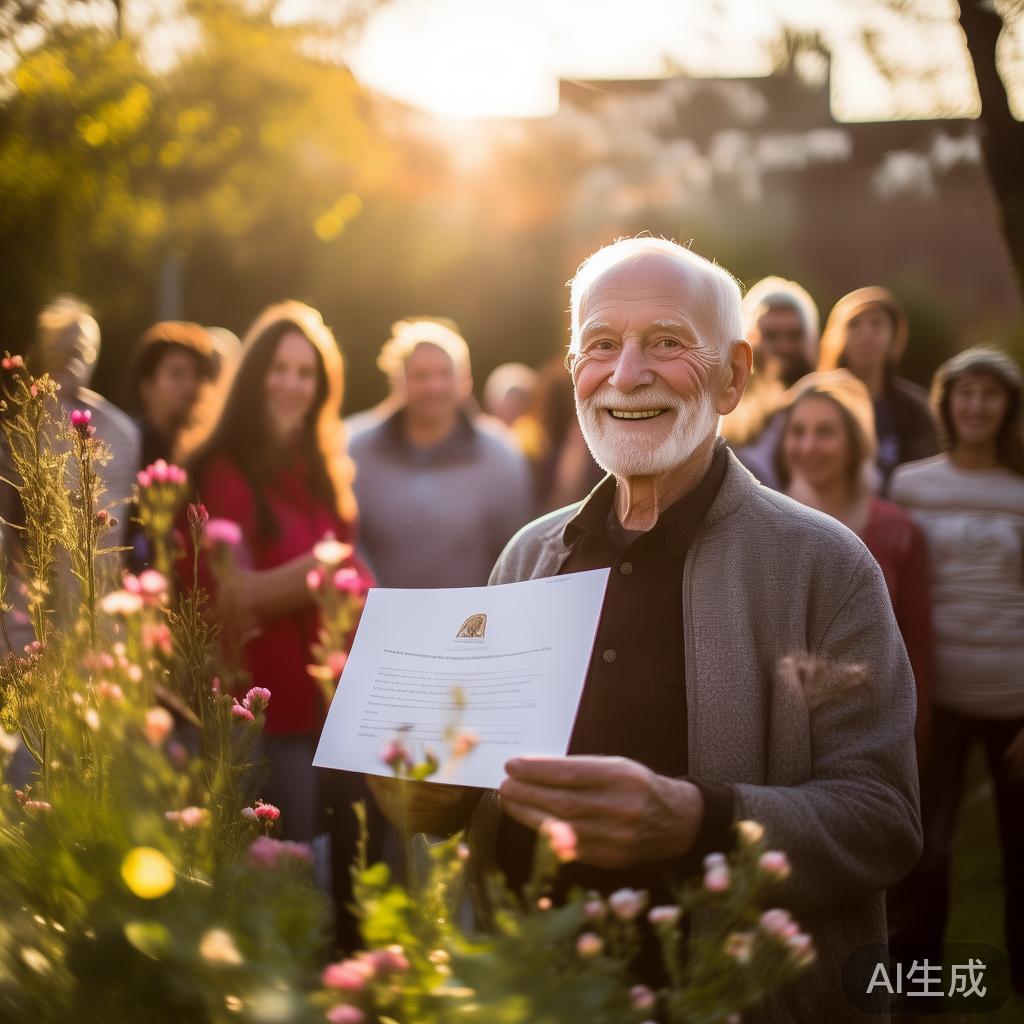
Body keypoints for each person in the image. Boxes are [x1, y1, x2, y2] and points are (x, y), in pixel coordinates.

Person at [369, 238, 922, 1023]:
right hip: (535, 993)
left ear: (733, 374)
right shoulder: (530, 554)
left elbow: (882, 821)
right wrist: (412, 780)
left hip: (732, 1001)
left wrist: (696, 820)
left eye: (665, 342)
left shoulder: (824, 568)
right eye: (600, 345)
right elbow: (458, 800)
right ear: (573, 372)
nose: (626, 375)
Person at [179, 301, 379, 948]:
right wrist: (320, 570)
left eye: (307, 373)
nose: (293, 384)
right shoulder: (221, 469)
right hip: (269, 713)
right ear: (253, 374)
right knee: (281, 881)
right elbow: (231, 597)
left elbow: (349, 575)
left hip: (338, 707)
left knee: (344, 876)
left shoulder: (321, 468)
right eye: (280, 369)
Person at [889, 346, 1024, 996]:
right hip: (935, 698)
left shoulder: (1020, 488)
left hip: (1015, 702)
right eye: (964, 393)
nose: (976, 406)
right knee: (928, 847)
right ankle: (920, 988)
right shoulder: (911, 485)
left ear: (1008, 408)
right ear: (946, 403)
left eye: (989, 394)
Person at [775, 369, 932, 755]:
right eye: (798, 431)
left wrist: (917, 740)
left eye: (825, 431)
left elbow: (917, 652)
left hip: (873, 732)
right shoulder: (762, 528)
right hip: (782, 735)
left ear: (854, 441)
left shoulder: (898, 531)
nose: (808, 445)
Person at [349, 318, 535, 589]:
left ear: (464, 381)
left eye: (444, 374)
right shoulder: (357, 448)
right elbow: (347, 540)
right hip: (376, 620)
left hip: (470, 624)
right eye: (420, 375)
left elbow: (518, 551)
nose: (433, 386)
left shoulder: (500, 454)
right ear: (398, 381)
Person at [817, 287, 938, 490]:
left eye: (877, 324)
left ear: (895, 337)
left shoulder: (916, 408)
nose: (866, 334)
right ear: (838, 336)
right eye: (854, 324)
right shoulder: (814, 401)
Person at [124, 321, 216, 569]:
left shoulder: (204, 455)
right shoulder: (124, 447)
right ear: (146, 386)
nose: (190, 386)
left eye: (197, 376)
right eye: (176, 375)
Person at [724, 276, 820, 488]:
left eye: (794, 335)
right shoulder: (725, 405)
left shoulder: (831, 405)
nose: (784, 346)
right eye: (771, 335)